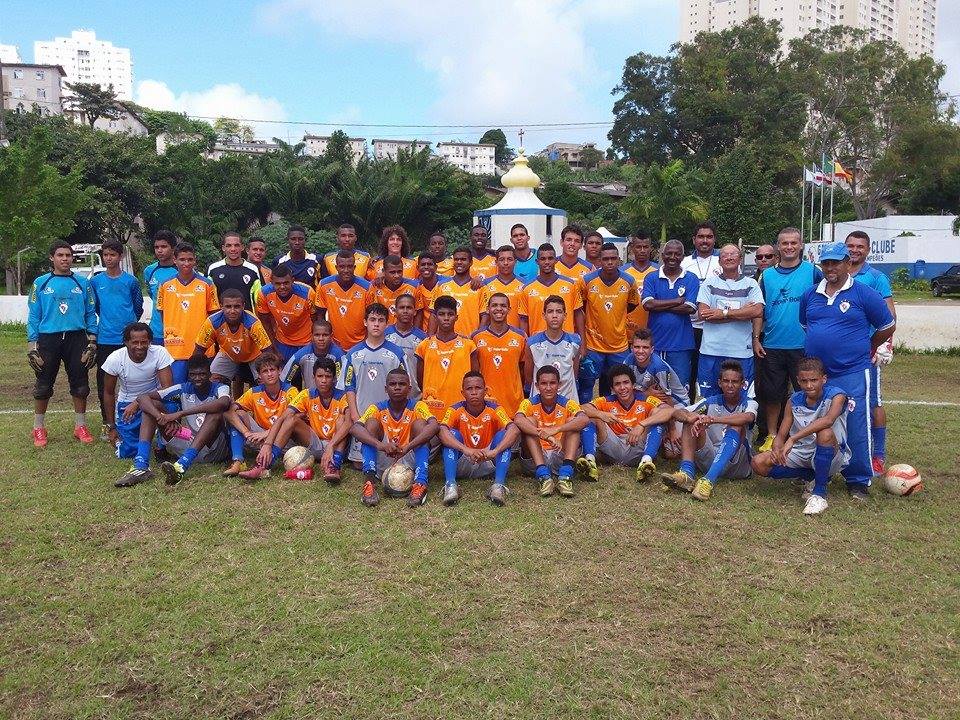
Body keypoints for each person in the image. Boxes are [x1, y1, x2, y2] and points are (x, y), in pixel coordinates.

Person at [799, 241, 894, 500]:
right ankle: (820, 472)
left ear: (847, 263)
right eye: (826, 263)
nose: (830, 268)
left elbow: (887, 325)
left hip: (853, 371)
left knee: (856, 424)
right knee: (816, 421)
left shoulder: (864, 293)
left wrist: (869, 347)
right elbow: (806, 325)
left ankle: (858, 480)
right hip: (819, 375)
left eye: (836, 262)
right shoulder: (810, 294)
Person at [751, 356, 850, 516]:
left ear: (824, 379)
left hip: (832, 453)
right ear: (798, 380)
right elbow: (781, 434)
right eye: (804, 381)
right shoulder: (794, 400)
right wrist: (777, 448)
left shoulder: (837, 396)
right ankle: (811, 477)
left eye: (814, 380)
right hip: (802, 452)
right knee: (758, 463)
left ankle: (819, 494)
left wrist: (793, 439)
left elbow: (828, 421)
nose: (809, 385)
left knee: (824, 433)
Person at [114, 353, 229, 487]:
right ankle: (141, 465)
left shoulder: (220, 387)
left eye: (202, 374)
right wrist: (162, 417)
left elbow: (224, 403)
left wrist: (179, 414)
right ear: (188, 374)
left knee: (215, 413)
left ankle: (182, 466)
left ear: (209, 373)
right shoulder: (183, 388)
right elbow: (143, 397)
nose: (197, 378)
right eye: (193, 375)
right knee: (151, 407)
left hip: (213, 450)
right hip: (189, 441)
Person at [754, 227, 823, 452]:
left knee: (807, 392)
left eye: (794, 243)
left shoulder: (813, 271)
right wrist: (756, 339)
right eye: (785, 243)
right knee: (772, 394)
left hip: (803, 345)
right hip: (772, 344)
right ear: (778, 247)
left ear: (801, 245)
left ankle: (807, 435)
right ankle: (772, 436)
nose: (790, 247)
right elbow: (759, 310)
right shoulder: (767, 276)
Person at [27, 241, 99, 447]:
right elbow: (34, 315)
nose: (65, 259)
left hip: (77, 338)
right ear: (52, 258)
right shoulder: (41, 283)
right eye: (60, 255)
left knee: (81, 385)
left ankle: (80, 426)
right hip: (48, 338)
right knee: (43, 385)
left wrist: (92, 341)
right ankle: (38, 428)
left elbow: (90, 313)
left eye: (68, 255)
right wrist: (32, 346)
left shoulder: (82, 283)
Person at [659, 360, 758, 502]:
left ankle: (708, 480)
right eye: (726, 381)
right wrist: (691, 417)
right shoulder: (710, 401)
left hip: (737, 464)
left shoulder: (750, 403)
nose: (730, 385)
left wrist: (713, 419)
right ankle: (687, 474)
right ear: (719, 383)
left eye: (735, 382)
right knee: (691, 420)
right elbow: (679, 412)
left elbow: (747, 417)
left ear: (743, 384)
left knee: (737, 425)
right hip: (711, 457)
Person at [241, 357, 350, 483]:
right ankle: (264, 465)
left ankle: (334, 466)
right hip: (316, 443)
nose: (323, 380)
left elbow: (349, 423)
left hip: (336, 445)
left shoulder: (343, 396)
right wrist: (267, 445)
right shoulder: (307, 394)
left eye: (328, 376)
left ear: (334, 379)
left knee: (342, 419)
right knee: (290, 419)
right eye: (320, 376)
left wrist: (331, 446)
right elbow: (282, 418)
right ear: (313, 377)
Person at [845, 230, 896, 475]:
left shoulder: (876, 278)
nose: (855, 250)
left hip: (865, 353)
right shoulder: (833, 273)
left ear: (868, 250)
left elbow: (890, 316)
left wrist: (879, 345)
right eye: (851, 246)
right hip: (838, 353)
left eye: (860, 246)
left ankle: (878, 455)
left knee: (874, 402)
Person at [351, 368, 438, 507]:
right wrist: (381, 445)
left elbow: (434, 426)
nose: (397, 387)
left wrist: (408, 446)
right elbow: (355, 428)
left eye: (402, 384)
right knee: (371, 424)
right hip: (385, 455)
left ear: (409, 389)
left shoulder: (418, 405)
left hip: (408, 454)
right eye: (392, 384)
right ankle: (369, 483)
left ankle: (420, 483)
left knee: (421, 424)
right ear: (386, 389)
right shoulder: (376, 408)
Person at [340, 303, 408, 465]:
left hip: (389, 417)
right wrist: (355, 415)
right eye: (372, 320)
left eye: (380, 320)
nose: (376, 324)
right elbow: (349, 386)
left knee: (392, 461)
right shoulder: (353, 354)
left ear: (387, 323)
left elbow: (406, 385)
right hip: (362, 415)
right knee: (359, 463)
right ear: (365, 322)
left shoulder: (397, 353)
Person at [439, 372, 519, 506]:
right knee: (451, 433)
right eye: (469, 389)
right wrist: (466, 450)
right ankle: (451, 485)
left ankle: (498, 486)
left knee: (503, 434)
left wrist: (494, 451)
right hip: (464, 460)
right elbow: (441, 431)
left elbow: (514, 429)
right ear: (462, 392)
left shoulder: (495, 409)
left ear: (485, 391)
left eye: (478, 388)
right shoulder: (454, 409)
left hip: (488, 460)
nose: (474, 392)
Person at [695, 244, 764, 399]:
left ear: (740, 259)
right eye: (725, 255)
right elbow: (703, 314)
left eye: (733, 254)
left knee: (742, 399)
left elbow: (757, 311)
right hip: (711, 351)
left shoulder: (750, 284)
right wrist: (742, 313)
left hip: (741, 352)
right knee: (708, 399)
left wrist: (723, 313)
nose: (729, 257)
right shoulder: (709, 283)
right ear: (719, 261)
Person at [90, 239, 144, 437]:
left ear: (120, 257)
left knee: (134, 379)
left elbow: (138, 307)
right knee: (105, 384)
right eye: (105, 255)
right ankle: (107, 422)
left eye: (112, 255)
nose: (108, 258)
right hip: (105, 338)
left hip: (128, 339)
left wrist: (128, 326)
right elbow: (95, 307)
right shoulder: (95, 282)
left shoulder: (131, 281)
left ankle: (136, 420)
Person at [577, 242, 641, 403]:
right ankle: (586, 416)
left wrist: (616, 315)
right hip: (593, 346)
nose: (610, 262)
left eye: (613, 258)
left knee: (617, 387)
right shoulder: (587, 281)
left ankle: (610, 415)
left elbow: (631, 304)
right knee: (586, 387)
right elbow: (581, 306)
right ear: (600, 260)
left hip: (619, 347)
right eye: (606, 259)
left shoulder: (629, 281)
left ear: (619, 259)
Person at [101, 322, 173, 460]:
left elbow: (167, 389)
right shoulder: (115, 359)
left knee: (172, 404)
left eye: (144, 342)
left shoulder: (160, 352)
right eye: (135, 342)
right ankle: (125, 440)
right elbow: (109, 393)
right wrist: (111, 426)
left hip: (155, 400)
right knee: (129, 452)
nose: (139, 346)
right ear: (126, 342)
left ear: (150, 342)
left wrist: (139, 402)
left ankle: (162, 443)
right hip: (127, 405)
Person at [514, 365, 590, 499]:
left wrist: (557, 429)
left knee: (573, 421)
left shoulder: (568, 403)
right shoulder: (528, 403)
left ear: (559, 385)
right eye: (544, 383)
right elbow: (518, 420)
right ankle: (543, 476)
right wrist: (546, 436)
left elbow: (584, 419)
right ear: (537, 386)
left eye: (552, 383)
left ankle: (565, 476)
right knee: (529, 421)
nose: (548, 388)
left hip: (559, 453)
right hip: (535, 457)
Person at [580, 364, 664, 482]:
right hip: (613, 446)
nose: (622, 387)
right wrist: (601, 414)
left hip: (638, 446)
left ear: (633, 385)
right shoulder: (605, 401)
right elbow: (581, 408)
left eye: (626, 382)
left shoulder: (647, 400)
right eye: (617, 384)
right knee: (590, 417)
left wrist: (641, 425)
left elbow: (668, 412)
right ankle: (590, 462)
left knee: (658, 417)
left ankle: (646, 463)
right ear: (612, 388)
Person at [224, 351, 300, 478]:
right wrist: (246, 432)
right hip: (259, 438)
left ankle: (264, 465)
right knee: (238, 413)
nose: (270, 374)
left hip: (283, 438)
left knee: (292, 418)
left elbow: (297, 418)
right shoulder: (253, 392)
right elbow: (228, 411)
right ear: (259, 375)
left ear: (280, 371)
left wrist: (267, 433)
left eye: (272, 370)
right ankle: (238, 460)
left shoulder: (290, 391)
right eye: (265, 371)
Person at [641, 239, 700, 395]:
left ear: (683, 257)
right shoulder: (651, 277)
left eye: (677, 254)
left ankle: (680, 413)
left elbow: (690, 308)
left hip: (681, 345)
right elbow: (648, 305)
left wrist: (659, 304)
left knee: (680, 389)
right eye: (669, 253)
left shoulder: (691, 278)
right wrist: (676, 301)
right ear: (662, 255)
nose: (673, 257)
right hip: (655, 344)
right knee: (652, 389)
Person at [155, 243, 219, 383]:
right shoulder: (165, 284)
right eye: (182, 259)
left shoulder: (207, 284)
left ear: (195, 260)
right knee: (177, 389)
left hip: (202, 348)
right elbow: (162, 313)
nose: (186, 263)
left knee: (201, 388)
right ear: (175, 260)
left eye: (190, 259)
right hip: (175, 348)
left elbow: (214, 315)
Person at [195, 288, 272, 393]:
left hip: (255, 355)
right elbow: (199, 349)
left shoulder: (253, 323)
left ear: (243, 306)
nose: (232, 311)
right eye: (228, 306)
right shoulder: (212, 322)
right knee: (211, 381)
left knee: (266, 381)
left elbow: (267, 351)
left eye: (237, 306)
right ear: (221, 306)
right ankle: (222, 401)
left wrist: (267, 372)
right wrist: (197, 372)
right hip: (228, 353)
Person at [416, 295, 479, 420]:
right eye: (441, 314)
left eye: (450, 314)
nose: (446, 318)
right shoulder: (424, 346)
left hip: (460, 412)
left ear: (456, 317)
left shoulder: (469, 346)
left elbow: (475, 377)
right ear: (435, 317)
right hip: (432, 411)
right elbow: (420, 379)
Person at [681, 221, 721, 395]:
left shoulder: (722, 260)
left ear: (714, 239)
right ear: (694, 239)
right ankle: (688, 406)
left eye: (709, 237)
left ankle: (715, 406)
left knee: (715, 371)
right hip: (689, 326)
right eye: (701, 237)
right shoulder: (684, 262)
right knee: (688, 372)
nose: (705, 240)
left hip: (715, 326)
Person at [472, 293, 526, 417]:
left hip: (513, 404)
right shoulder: (476, 337)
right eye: (494, 305)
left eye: (503, 305)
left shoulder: (520, 336)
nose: (499, 309)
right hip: (486, 404)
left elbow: (523, 369)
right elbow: (474, 371)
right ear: (487, 309)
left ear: (509, 309)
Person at [523, 295, 581, 402]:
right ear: (544, 315)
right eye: (550, 311)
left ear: (565, 316)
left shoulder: (575, 342)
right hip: (540, 401)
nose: (554, 316)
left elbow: (574, 372)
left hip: (568, 399)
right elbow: (528, 377)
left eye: (559, 311)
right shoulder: (532, 343)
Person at [255, 263, 316, 362]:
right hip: (282, 342)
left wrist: (314, 345)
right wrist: (274, 348)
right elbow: (265, 322)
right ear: (271, 282)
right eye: (278, 284)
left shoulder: (307, 293)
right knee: (283, 371)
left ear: (292, 280)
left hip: (307, 342)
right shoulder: (264, 293)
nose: (282, 287)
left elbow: (316, 320)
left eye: (286, 283)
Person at [518, 243, 583, 336]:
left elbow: (578, 314)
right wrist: (525, 342)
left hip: (566, 342)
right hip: (538, 343)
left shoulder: (570, 285)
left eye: (550, 258)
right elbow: (524, 319)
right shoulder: (527, 289)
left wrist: (582, 342)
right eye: (543, 259)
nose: (547, 262)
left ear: (556, 260)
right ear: (537, 261)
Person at [315, 250, 372, 351]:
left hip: (360, 344)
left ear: (354, 267)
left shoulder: (367, 287)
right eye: (342, 267)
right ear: (336, 267)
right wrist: (325, 339)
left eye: (349, 266)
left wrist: (366, 342)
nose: (346, 270)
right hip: (334, 344)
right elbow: (320, 315)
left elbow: (371, 317)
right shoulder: (324, 285)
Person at [750, 243, 779, 440]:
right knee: (761, 386)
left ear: (776, 257)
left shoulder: (779, 277)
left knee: (781, 388)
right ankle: (762, 430)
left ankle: (781, 430)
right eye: (760, 257)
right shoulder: (751, 281)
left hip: (780, 338)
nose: (764, 260)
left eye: (768, 256)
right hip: (757, 338)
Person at [430, 247, 489, 336]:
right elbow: (433, 314)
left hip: (470, 340)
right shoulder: (441, 286)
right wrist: (430, 337)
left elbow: (485, 316)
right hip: (444, 341)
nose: (459, 262)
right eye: (456, 259)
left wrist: (478, 336)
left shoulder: (480, 287)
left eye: (463, 259)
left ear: (471, 262)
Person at [625, 329, 690, 407]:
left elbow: (667, 400)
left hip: (677, 404)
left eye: (645, 347)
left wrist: (645, 394)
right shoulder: (628, 361)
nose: (640, 351)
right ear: (631, 348)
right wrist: (646, 394)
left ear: (652, 350)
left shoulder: (659, 368)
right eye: (637, 347)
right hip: (648, 397)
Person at [281, 319, 344, 392]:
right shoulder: (301, 355)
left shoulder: (339, 356)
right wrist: (292, 393)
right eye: (317, 335)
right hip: (309, 397)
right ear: (311, 336)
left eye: (325, 335)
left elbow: (343, 384)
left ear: (331, 336)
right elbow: (283, 380)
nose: (321, 339)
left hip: (333, 397)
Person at [385, 293, 427, 399]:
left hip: (414, 397)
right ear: (395, 311)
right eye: (401, 307)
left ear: (415, 311)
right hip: (387, 396)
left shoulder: (423, 339)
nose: (405, 311)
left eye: (409, 308)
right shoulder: (384, 335)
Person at [207, 232, 261, 310]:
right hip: (220, 316)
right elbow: (209, 297)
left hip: (246, 316)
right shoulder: (213, 269)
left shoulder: (253, 269)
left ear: (242, 247)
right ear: (223, 248)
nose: (233, 249)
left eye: (236, 245)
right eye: (229, 245)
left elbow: (258, 298)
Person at [143, 230, 179, 346]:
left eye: (164, 246)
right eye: (156, 247)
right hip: (157, 332)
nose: (159, 250)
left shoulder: (183, 269)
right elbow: (152, 294)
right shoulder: (149, 271)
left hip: (179, 330)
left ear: (173, 248)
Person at [365, 254, 420, 325]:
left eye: (399, 271)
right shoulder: (374, 286)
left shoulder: (413, 287)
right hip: (382, 331)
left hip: (405, 331)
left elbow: (418, 311)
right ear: (383, 271)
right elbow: (369, 312)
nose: (397, 275)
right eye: (392, 272)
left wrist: (415, 330)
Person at [623, 233, 658, 338]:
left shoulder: (659, 271)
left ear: (650, 248)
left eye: (645, 247)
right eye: (638, 247)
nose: (642, 250)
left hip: (653, 331)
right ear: (632, 248)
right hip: (626, 331)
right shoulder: (622, 272)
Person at [482, 246, 524, 327]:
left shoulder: (525, 285)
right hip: (492, 333)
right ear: (496, 262)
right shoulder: (486, 284)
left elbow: (525, 317)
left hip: (517, 334)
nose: (506, 263)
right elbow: (484, 315)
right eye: (502, 259)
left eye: (509, 259)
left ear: (515, 262)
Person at [413, 252, 450, 331]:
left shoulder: (447, 283)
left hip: (443, 332)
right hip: (423, 332)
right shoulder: (415, 286)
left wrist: (476, 279)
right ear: (417, 268)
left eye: (430, 264)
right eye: (423, 265)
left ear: (436, 267)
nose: (426, 267)